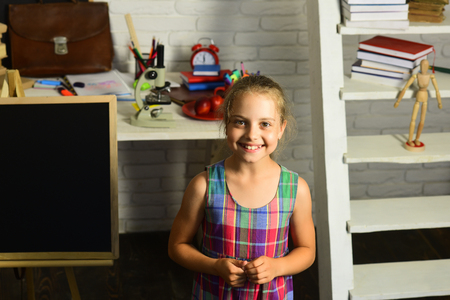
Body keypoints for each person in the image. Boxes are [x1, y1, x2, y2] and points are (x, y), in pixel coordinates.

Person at [168, 75, 316, 299]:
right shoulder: (203, 185)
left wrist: (277, 267)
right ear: (226, 124)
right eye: (240, 122)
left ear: (281, 129)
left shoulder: (296, 189)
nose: (252, 134)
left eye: (265, 124)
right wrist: (214, 266)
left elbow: (307, 251)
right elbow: (177, 246)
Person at [395, 59, 443, 151]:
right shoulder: (416, 75)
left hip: (425, 98)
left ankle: (417, 138)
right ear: (420, 66)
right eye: (422, 65)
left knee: (422, 121)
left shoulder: (431, 76)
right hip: (418, 97)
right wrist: (398, 101)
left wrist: (439, 102)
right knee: (413, 119)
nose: (424, 67)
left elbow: (437, 90)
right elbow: (405, 88)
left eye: (426, 65)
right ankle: (410, 139)